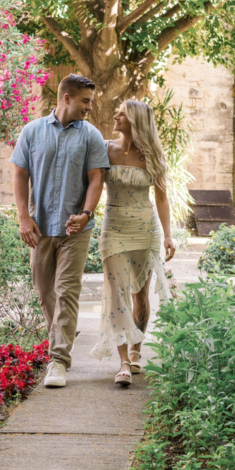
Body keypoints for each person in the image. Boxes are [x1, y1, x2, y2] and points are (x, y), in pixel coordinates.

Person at [10, 73, 110, 388]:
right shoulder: (32, 132)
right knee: (44, 291)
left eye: (90, 102)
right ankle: (61, 338)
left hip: (75, 229)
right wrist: (24, 218)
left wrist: (86, 213)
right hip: (39, 227)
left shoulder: (91, 135)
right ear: (66, 97)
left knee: (67, 291)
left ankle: (58, 360)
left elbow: (97, 179)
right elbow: (19, 174)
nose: (89, 108)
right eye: (85, 101)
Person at [91, 99, 176, 387]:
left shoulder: (152, 154)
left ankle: (138, 348)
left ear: (136, 120)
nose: (115, 115)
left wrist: (168, 234)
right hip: (112, 229)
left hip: (145, 231)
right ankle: (123, 361)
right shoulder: (104, 148)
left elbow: (162, 199)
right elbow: (93, 185)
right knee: (117, 296)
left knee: (140, 295)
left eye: (122, 113)